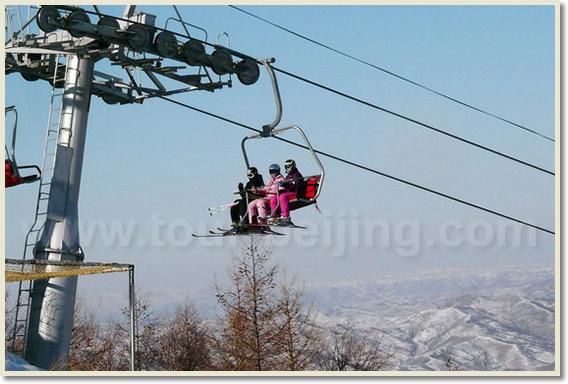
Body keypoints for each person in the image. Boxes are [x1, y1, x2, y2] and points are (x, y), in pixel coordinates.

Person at [269, 159, 305, 224]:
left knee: (282, 196)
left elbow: (296, 184)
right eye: (286, 166)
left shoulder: (297, 175)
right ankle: (274, 215)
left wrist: (286, 184)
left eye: (288, 166)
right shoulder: (288, 176)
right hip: (289, 192)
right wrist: (282, 188)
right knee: (274, 198)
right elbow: (287, 186)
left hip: (296, 192)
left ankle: (286, 216)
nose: (287, 168)